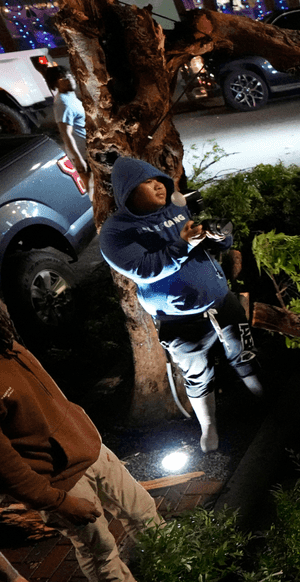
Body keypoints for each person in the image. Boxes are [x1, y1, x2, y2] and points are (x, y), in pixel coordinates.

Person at [0, 267, 163, 582]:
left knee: (143, 512)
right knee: (100, 551)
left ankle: (166, 570)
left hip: (91, 450)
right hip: (61, 483)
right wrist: (57, 502)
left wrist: (83, 432)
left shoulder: (0, 342)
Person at [99, 157, 263, 453]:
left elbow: (210, 243)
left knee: (244, 351)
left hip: (220, 300)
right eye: (147, 184)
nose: (158, 187)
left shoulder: (176, 207)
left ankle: (262, 398)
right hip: (178, 318)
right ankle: (208, 426)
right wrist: (185, 244)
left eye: (157, 180)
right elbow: (145, 269)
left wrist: (220, 235)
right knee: (197, 374)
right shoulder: (116, 232)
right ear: (127, 193)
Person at [42, 65, 89, 190]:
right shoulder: (63, 103)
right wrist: (78, 159)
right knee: (93, 189)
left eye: (69, 76)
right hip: (83, 155)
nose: (69, 79)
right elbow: (65, 133)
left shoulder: (71, 96)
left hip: (88, 150)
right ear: (55, 83)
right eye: (63, 78)